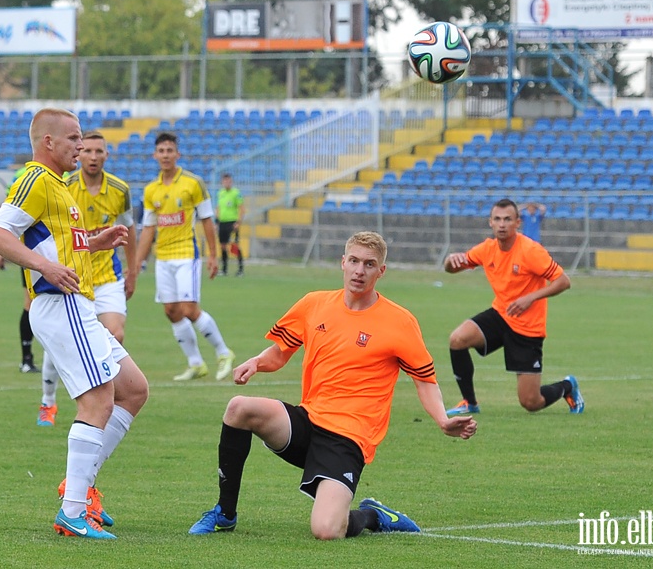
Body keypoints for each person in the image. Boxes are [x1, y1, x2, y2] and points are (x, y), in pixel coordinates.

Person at [187, 231, 477, 539]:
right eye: (353, 261)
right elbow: (280, 352)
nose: (359, 271)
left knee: (326, 530)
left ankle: (374, 515)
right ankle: (225, 513)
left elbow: (424, 380)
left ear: (381, 271)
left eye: (369, 264)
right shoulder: (314, 304)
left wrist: (443, 419)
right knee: (239, 408)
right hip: (309, 420)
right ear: (342, 262)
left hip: (348, 438)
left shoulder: (400, 322)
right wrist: (256, 362)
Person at [0, 107, 150, 540]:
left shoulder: (58, 186)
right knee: (96, 403)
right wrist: (44, 267)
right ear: (49, 143)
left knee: (134, 390)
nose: (81, 146)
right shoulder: (36, 178)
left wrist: (96, 242)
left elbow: (60, 246)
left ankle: (82, 487)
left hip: (79, 303)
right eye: (74, 138)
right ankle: (73, 510)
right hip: (61, 304)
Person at [442, 198, 584, 417]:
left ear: (518, 222)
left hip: (527, 327)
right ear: (490, 222)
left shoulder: (530, 251)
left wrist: (531, 298)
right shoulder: (487, 249)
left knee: (530, 402)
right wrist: (450, 261)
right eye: (497, 219)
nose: (502, 224)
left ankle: (568, 386)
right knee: (457, 339)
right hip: (501, 314)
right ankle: (469, 403)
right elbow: (452, 269)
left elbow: (563, 281)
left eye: (507, 219)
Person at [37, 130, 138, 428]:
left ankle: (102, 395)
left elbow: (129, 231)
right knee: (60, 342)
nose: (93, 157)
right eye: (88, 151)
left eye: (99, 152)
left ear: (107, 155)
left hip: (108, 277)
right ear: (80, 154)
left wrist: (132, 271)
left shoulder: (120, 189)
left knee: (115, 333)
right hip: (72, 276)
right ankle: (48, 401)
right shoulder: (64, 185)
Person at [133, 132, 235, 382]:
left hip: (186, 254)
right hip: (163, 257)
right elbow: (148, 229)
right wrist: (136, 263)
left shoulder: (193, 183)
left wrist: (213, 255)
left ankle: (224, 353)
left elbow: (207, 220)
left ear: (177, 154)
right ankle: (196, 363)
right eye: (161, 151)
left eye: (170, 150)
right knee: (171, 310)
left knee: (189, 309)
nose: (166, 155)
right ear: (155, 155)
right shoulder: (151, 190)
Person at [0, 165, 40, 374]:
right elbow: (10, 209)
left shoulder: (71, 173)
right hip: (33, 251)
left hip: (68, 253)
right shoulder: (23, 176)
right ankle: (26, 358)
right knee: (30, 304)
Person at [216, 172, 245, 277]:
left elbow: (241, 208)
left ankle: (240, 270)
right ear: (222, 182)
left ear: (231, 182)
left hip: (232, 223)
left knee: (234, 246)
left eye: (228, 181)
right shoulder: (220, 193)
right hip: (222, 223)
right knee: (223, 246)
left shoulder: (236, 193)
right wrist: (217, 221)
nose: (227, 183)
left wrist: (238, 222)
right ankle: (224, 270)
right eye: (225, 181)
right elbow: (218, 208)